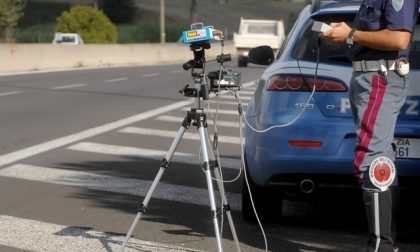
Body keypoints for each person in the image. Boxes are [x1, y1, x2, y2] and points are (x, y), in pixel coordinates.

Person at [320, 0, 418, 251]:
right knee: (381, 156)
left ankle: (380, 246)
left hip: (380, 77)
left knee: (372, 157)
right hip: (368, 77)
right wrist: (347, 35)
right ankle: (386, 244)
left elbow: (399, 39)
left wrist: (351, 34)